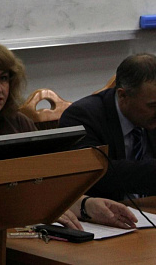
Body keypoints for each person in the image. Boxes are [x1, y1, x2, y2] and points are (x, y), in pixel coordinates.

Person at [0, 40, 137, 230]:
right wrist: (38, 208)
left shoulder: (18, 121)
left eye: (4, 78)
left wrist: (87, 205)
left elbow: (46, 184)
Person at [59, 53, 156, 201]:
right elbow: (95, 174)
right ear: (123, 96)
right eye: (152, 105)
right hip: (106, 210)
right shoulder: (82, 117)